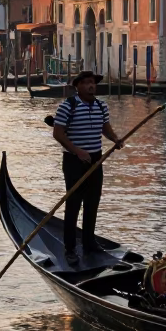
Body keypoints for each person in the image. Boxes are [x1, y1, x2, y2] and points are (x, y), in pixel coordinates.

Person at [51, 70, 121, 263]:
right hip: (74, 161)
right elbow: (58, 133)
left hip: (96, 159)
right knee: (73, 204)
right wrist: (77, 151)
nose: (91, 86)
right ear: (78, 86)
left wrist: (115, 139)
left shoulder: (101, 106)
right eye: (87, 83)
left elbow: (105, 127)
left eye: (93, 83)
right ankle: (70, 248)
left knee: (92, 202)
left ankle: (89, 242)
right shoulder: (67, 107)